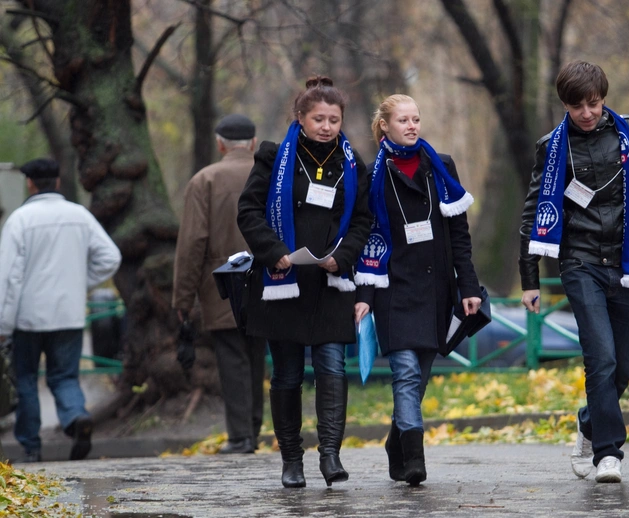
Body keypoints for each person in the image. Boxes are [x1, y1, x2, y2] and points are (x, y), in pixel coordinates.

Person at [519, 61, 629, 483]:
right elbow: (534, 210)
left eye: (593, 104)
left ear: (603, 98)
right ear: (565, 105)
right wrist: (530, 278)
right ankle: (608, 454)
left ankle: (589, 424)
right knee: (601, 358)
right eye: (578, 107)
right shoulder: (552, 147)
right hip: (580, 262)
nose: (588, 113)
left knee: (624, 365)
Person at [237, 76, 372, 488]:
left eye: (334, 119)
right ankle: (291, 459)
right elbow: (248, 211)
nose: (327, 126)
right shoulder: (273, 158)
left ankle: (330, 456)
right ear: (300, 118)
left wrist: (343, 257)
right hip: (285, 282)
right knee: (288, 376)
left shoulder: (351, 164)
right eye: (319, 118)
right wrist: (273, 250)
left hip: (330, 284)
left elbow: (364, 219)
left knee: (332, 368)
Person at [354, 94, 482, 487]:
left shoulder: (440, 167)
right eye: (403, 120)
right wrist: (365, 295)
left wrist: (469, 285)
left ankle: (398, 441)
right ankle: (414, 459)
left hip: (436, 289)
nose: (412, 126)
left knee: (420, 374)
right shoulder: (372, 174)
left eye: (416, 119)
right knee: (406, 373)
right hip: (394, 289)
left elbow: (459, 234)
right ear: (385, 127)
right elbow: (365, 238)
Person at [0, 158, 121, 463]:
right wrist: (80, 283)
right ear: (56, 181)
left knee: (26, 378)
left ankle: (31, 447)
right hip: (68, 314)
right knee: (65, 376)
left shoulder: (20, 220)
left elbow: (9, 277)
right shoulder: (79, 216)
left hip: (28, 318)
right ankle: (76, 418)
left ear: (30, 183)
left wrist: (3, 324)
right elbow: (110, 258)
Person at [172, 114, 267, 455]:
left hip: (222, 283)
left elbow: (193, 244)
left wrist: (183, 299)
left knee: (232, 357)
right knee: (257, 356)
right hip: (267, 278)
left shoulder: (205, 180)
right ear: (254, 143)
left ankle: (240, 436)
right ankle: (253, 431)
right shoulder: (269, 174)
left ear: (220, 143)